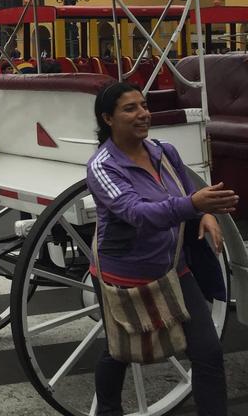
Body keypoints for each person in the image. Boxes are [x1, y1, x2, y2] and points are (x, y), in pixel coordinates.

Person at [87, 82, 237, 416]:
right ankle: (108, 411)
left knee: (208, 352)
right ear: (107, 118)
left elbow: (186, 193)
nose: (142, 114)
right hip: (122, 276)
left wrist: (206, 213)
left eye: (144, 105)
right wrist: (192, 205)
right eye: (130, 109)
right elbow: (136, 213)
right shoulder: (102, 166)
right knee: (119, 352)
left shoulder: (164, 151)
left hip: (173, 268)